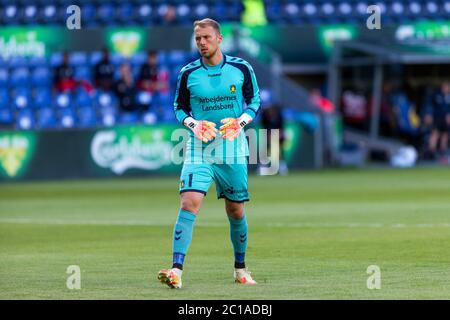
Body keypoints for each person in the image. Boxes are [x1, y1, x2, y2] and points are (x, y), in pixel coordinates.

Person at [157, 18, 260, 289]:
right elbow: (179, 108)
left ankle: (240, 269)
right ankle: (176, 269)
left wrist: (241, 122)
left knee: (235, 211)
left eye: (206, 37)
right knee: (189, 202)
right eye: (197, 38)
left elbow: (255, 102)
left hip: (233, 151)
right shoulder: (189, 73)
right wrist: (194, 124)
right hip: (199, 149)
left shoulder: (241, 68)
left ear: (219, 39)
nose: (201, 43)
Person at [424, 81, 450, 159]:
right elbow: (429, 105)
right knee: (435, 134)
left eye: (447, 87)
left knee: (445, 135)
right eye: (444, 87)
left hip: (446, 120)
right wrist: (429, 114)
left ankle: (443, 154)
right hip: (437, 118)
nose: (446, 89)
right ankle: (430, 154)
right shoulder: (436, 95)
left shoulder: (448, 96)